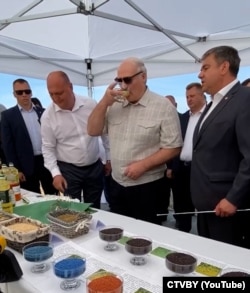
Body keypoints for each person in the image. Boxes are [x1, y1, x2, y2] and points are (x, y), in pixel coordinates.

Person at [87, 57, 183, 224]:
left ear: (143, 77)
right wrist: (104, 102)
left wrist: (143, 165)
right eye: (119, 80)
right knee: (121, 233)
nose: (123, 85)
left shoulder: (163, 106)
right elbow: (92, 130)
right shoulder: (114, 104)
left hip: (149, 187)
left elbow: (174, 147)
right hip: (117, 184)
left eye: (128, 80)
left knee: (149, 237)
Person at [191, 45, 250, 247]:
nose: (200, 74)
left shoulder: (244, 99)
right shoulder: (213, 102)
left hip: (226, 206)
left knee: (229, 270)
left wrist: (233, 198)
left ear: (224, 67)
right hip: (207, 205)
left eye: (206, 68)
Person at [41, 71, 109, 209]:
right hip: (68, 170)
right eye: (51, 94)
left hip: (95, 166)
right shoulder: (47, 117)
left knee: (95, 208)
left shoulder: (90, 104)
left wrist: (109, 158)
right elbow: (48, 148)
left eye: (59, 93)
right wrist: (56, 174)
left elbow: (104, 132)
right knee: (72, 210)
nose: (56, 98)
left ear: (70, 87)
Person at [1, 78, 56, 194]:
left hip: (46, 161)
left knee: (53, 195)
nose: (24, 95)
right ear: (14, 94)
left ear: (31, 92)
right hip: (25, 165)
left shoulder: (44, 112)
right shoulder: (8, 116)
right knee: (32, 197)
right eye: (20, 92)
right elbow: (8, 146)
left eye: (27, 91)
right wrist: (16, 170)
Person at [169, 83, 206, 232]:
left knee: (203, 205)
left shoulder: (210, 115)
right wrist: (172, 166)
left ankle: (205, 238)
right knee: (181, 205)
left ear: (202, 95)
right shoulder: (183, 118)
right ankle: (183, 235)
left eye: (192, 96)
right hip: (182, 169)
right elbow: (174, 143)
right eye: (187, 97)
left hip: (202, 170)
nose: (189, 100)